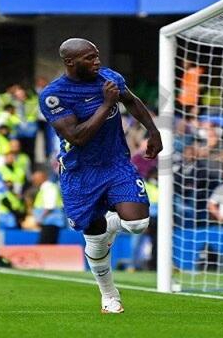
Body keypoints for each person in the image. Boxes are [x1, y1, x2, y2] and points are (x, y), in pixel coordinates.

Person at [39, 38, 162, 313]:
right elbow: (77, 137)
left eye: (96, 56)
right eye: (89, 58)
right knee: (94, 238)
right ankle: (109, 295)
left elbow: (132, 101)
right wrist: (106, 104)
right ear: (70, 62)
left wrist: (153, 131)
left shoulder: (109, 77)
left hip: (115, 163)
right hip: (80, 172)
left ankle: (112, 223)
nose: (97, 62)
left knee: (138, 223)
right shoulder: (54, 96)